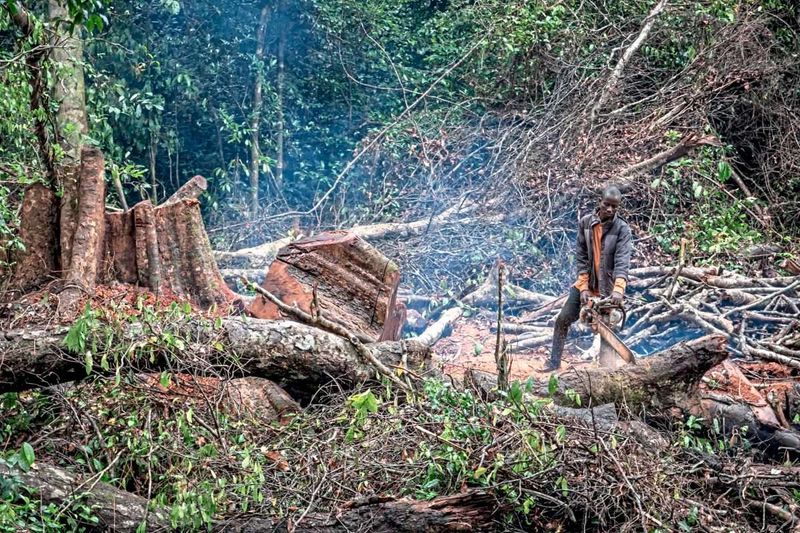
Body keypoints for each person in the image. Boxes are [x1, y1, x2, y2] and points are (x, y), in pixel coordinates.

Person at [543, 186, 633, 371]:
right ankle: (553, 363)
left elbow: (622, 261)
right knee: (563, 319)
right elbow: (581, 256)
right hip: (587, 283)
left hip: (608, 288)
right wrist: (583, 287)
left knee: (606, 332)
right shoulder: (585, 223)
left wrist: (618, 289)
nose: (610, 210)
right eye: (607, 205)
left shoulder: (622, 229)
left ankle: (606, 373)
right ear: (599, 201)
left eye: (614, 207)